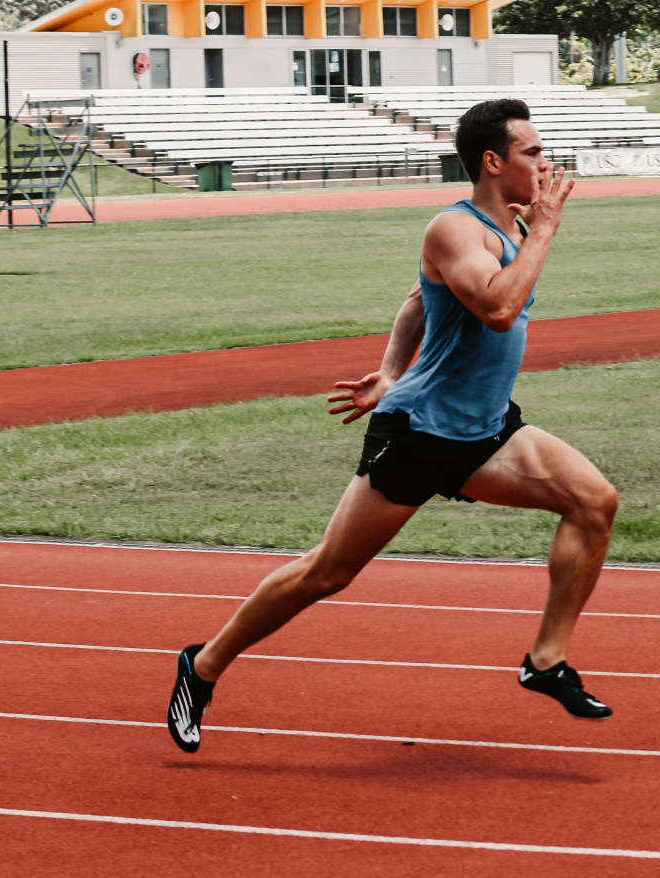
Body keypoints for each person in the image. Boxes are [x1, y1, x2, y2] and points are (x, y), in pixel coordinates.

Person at [167, 99, 619, 754]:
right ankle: (202, 664)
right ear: (493, 162)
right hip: (421, 432)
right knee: (328, 572)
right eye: (532, 153)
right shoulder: (454, 229)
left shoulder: (511, 229)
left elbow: (418, 298)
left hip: (485, 430)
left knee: (594, 502)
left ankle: (545, 662)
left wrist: (387, 368)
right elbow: (496, 308)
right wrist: (545, 232)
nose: (544, 165)